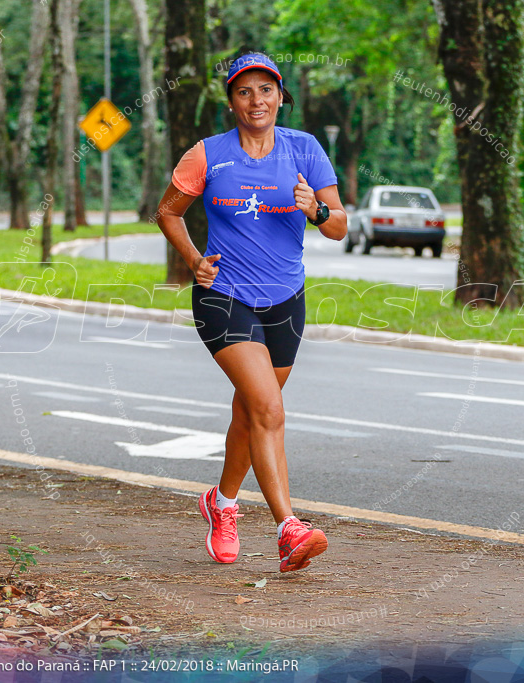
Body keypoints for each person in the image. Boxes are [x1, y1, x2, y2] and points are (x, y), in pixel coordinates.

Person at [156, 52, 348, 573]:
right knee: (268, 409)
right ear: (232, 101)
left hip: (285, 298)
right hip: (225, 296)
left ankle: (222, 503)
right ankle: (289, 527)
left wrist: (318, 210)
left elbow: (339, 227)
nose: (256, 100)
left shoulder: (304, 150)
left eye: (266, 90)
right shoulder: (207, 155)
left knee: (250, 411)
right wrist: (195, 260)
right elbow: (167, 211)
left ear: (280, 97)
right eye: (245, 91)